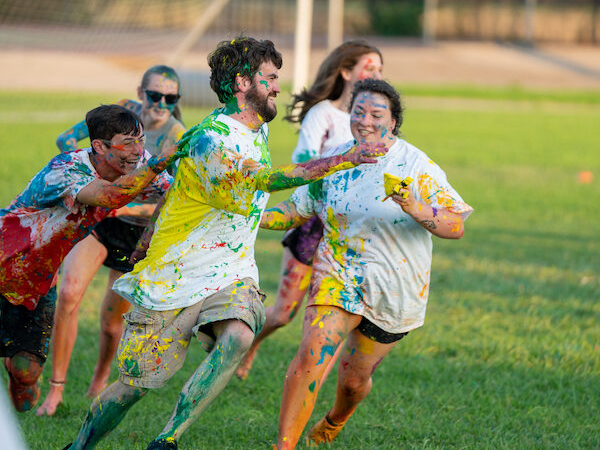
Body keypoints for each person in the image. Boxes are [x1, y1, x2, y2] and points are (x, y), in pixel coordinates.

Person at [64, 37, 387, 450]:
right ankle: (76, 447)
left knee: (237, 337)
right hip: (173, 278)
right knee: (132, 388)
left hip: (229, 274)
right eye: (270, 79)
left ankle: (167, 439)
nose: (277, 87)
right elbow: (264, 181)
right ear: (241, 83)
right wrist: (345, 157)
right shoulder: (211, 139)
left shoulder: (258, 127)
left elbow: (234, 200)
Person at [260, 79, 473, 449]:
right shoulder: (335, 162)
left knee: (353, 381)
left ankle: (337, 417)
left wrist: (417, 208)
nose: (366, 121)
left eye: (377, 114)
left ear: (392, 121)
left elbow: (455, 225)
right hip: (337, 274)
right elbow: (293, 211)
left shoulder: (415, 164)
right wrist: (245, 214)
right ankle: (284, 445)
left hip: (395, 289)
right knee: (312, 352)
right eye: (358, 112)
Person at [0, 104, 178, 413]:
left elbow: (173, 192)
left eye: (141, 140)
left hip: (38, 282)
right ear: (99, 146)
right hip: (3, 262)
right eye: (128, 143)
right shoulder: (67, 170)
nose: (138, 151)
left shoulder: (139, 162)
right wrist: (161, 162)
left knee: (25, 383)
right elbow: (110, 197)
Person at [37, 66, 186, 416]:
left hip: (135, 230)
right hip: (100, 219)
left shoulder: (176, 135)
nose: (161, 103)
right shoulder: (123, 112)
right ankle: (55, 391)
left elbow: (176, 198)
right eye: (154, 95)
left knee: (110, 324)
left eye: (170, 98)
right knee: (70, 293)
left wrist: (124, 204)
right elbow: (66, 140)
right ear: (140, 92)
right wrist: (91, 176)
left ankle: (99, 378)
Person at [236, 40, 383, 381]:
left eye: (379, 70)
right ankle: (248, 345)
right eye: (369, 67)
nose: (376, 75)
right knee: (285, 312)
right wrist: (338, 164)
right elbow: (303, 162)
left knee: (339, 311)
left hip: (352, 226)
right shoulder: (323, 115)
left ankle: (313, 376)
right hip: (312, 221)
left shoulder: (375, 119)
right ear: (346, 71)